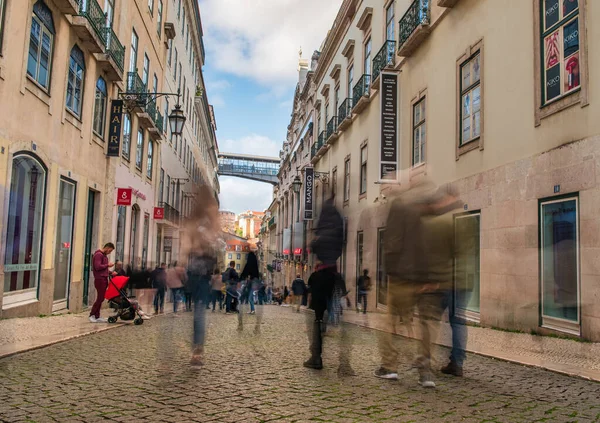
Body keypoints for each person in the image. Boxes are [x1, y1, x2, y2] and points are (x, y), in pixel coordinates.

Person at [303, 196, 344, 370]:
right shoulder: (339, 229)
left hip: (321, 277)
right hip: (334, 275)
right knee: (333, 311)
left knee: (316, 316)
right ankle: (344, 361)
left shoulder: (323, 232)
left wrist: (313, 241)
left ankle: (316, 356)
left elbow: (314, 248)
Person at [89, 243, 115, 323]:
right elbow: (97, 267)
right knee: (100, 298)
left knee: (102, 298)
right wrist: (107, 265)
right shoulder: (98, 255)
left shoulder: (104, 256)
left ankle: (97, 316)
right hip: (99, 279)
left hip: (104, 278)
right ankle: (92, 314)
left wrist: (110, 273)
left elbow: (103, 269)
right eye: (110, 251)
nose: (109, 252)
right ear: (107, 248)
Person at [240, 252, 261, 332]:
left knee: (250, 297)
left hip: (253, 284)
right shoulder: (255, 264)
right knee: (250, 297)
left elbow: (246, 271)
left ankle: (253, 310)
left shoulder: (250, 264)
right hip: (253, 283)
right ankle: (252, 309)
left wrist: (242, 277)